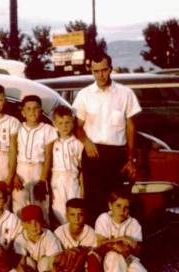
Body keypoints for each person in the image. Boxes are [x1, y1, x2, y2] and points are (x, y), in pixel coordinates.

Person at [72, 51, 141, 221]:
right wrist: (86, 142)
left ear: (110, 69)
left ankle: (117, 240)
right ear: (91, 71)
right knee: (93, 201)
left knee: (118, 202)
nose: (100, 75)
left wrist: (131, 159)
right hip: (92, 153)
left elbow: (131, 127)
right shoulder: (84, 95)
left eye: (104, 70)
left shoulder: (125, 93)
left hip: (117, 154)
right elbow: (77, 127)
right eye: (96, 71)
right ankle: (97, 242)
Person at [13, 95, 57, 223]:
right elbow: (13, 152)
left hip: (39, 169)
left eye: (36, 108)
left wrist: (42, 180)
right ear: (23, 112)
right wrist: (14, 174)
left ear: (41, 111)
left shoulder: (48, 130)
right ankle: (20, 237)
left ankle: (42, 234)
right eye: (29, 109)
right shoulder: (17, 128)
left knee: (40, 205)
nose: (32, 112)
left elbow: (48, 156)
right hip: (21, 169)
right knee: (20, 204)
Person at [93, 188, 146, 272]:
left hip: (128, 257)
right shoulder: (104, 218)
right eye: (118, 206)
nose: (122, 210)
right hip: (109, 257)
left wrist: (131, 247)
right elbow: (100, 245)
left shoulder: (133, 223)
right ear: (110, 205)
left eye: (126, 207)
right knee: (115, 258)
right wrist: (121, 239)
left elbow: (138, 251)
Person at [51, 105, 84, 224]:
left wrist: (82, 189)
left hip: (72, 179)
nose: (64, 126)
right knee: (58, 208)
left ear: (72, 122)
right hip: (57, 179)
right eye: (60, 123)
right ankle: (62, 233)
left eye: (67, 122)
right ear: (54, 124)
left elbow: (81, 168)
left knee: (74, 206)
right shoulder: (53, 143)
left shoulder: (77, 143)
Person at [13, 205, 61, 272]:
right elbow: (21, 263)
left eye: (37, 221)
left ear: (42, 222)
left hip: (45, 268)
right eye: (29, 222)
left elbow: (54, 261)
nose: (34, 226)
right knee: (27, 261)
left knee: (44, 263)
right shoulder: (20, 238)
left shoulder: (48, 235)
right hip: (30, 268)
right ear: (23, 224)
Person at [53, 198, 96, 272]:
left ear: (85, 215)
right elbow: (55, 259)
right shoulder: (59, 232)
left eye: (80, 214)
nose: (77, 218)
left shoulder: (91, 233)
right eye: (72, 215)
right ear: (66, 216)